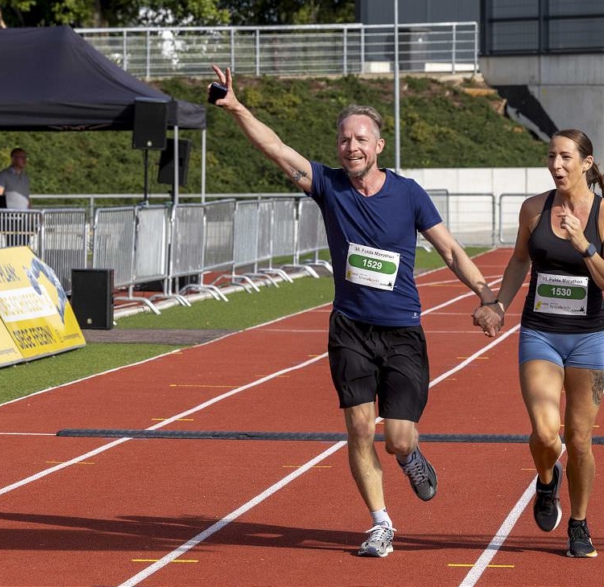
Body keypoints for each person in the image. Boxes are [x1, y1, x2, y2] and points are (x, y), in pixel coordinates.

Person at [209, 64, 501, 559]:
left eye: (361, 139)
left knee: (398, 439)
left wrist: (485, 296)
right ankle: (381, 522)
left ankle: (410, 455)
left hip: (402, 331)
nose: (352, 147)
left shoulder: (408, 194)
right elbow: (276, 149)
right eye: (344, 140)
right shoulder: (328, 186)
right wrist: (236, 107)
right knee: (361, 428)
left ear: (378, 145)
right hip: (350, 329)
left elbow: (450, 250)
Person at [474, 129, 604, 559]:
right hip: (539, 333)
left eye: (565, 157)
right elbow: (519, 259)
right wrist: (499, 305)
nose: (556, 165)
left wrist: (585, 247)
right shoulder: (534, 209)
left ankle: (579, 523)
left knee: (578, 440)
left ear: (586, 163)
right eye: (550, 156)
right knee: (545, 433)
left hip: (589, 340)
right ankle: (547, 481)